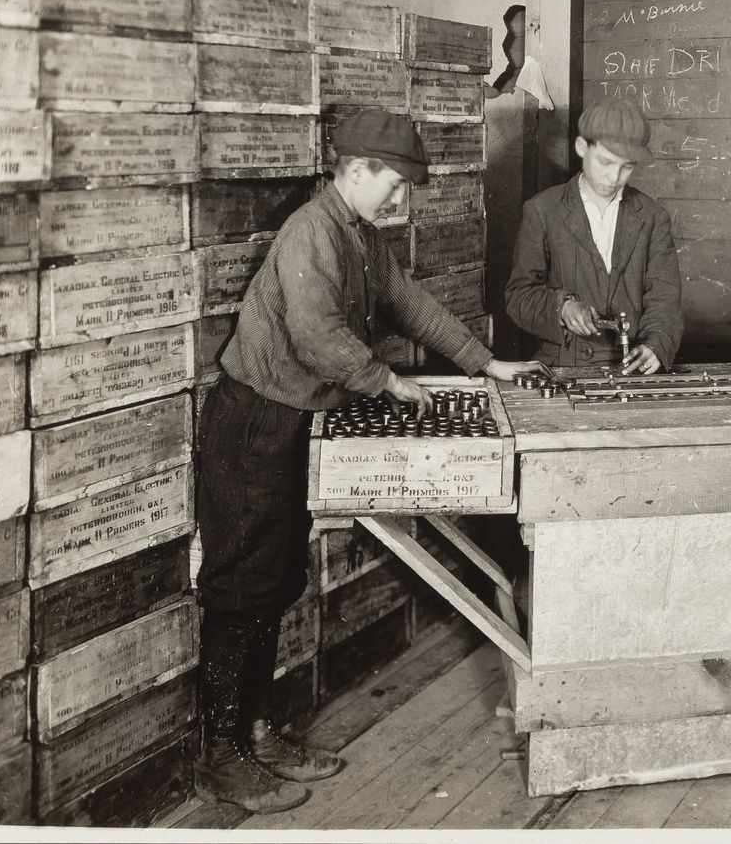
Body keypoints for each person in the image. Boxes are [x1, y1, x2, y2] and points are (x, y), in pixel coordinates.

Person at [195, 109, 540, 814]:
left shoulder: (359, 236)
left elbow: (413, 307)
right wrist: (386, 382)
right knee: (241, 588)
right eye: (392, 184)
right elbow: (316, 334)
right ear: (354, 170)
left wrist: (487, 362)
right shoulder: (310, 233)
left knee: (277, 577)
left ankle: (257, 732)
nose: (398, 200)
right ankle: (219, 757)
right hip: (253, 421)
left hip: (292, 421)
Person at [505, 99, 683, 374]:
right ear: (581, 148)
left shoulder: (652, 217)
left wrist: (656, 344)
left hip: (631, 369)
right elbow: (519, 297)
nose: (615, 177)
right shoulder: (542, 211)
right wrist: (562, 308)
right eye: (605, 162)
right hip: (564, 366)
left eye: (628, 166)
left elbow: (665, 299)